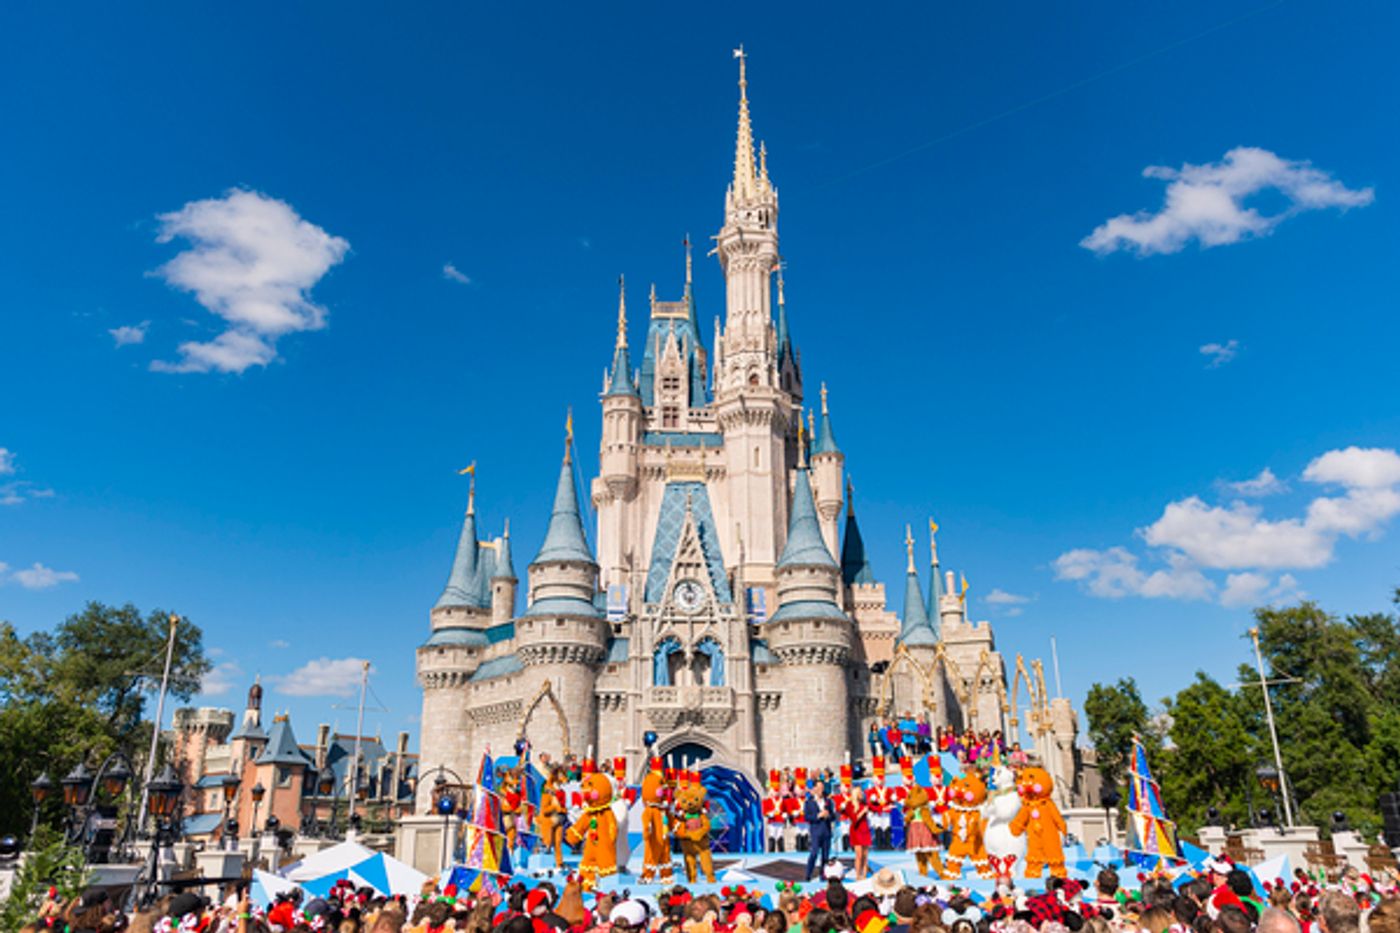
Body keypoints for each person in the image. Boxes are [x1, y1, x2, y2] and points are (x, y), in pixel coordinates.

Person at [803, 778, 835, 881]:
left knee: (825, 855)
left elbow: (834, 816)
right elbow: (807, 817)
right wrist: (818, 816)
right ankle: (808, 874)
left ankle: (823, 875)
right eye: (819, 787)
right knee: (814, 853)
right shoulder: (809, 802)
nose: (820, 790)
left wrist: (828, 815)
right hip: (816, 831)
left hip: (826, 831)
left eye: (822, 787)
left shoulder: (828, 801)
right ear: (815, 788)